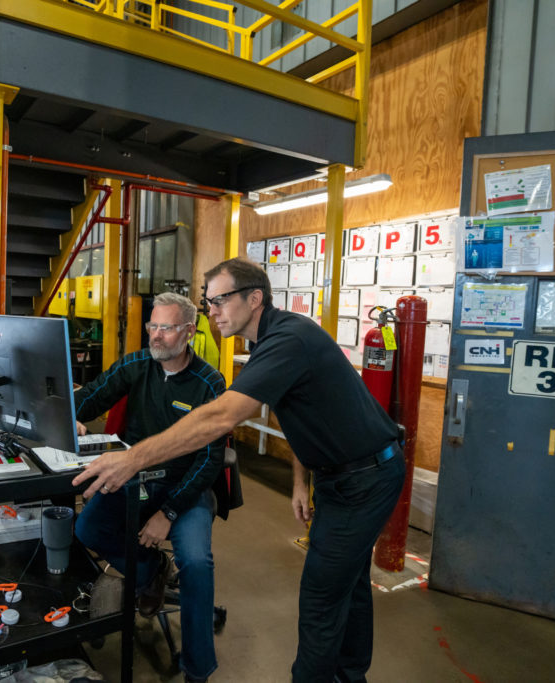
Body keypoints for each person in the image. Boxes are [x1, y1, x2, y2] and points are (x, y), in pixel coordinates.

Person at [74, 258, 406, 683]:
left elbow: (220, 419)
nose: (212, 310)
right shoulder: (270, 343)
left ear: (254, 298)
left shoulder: (288, 339)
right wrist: (301, 481)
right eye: (207, 301)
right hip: (341, 476)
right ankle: (350, 675)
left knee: (322, 599)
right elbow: (307, 415)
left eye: (220, 300)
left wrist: (133, 458)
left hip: (364, 479)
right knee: (350, 589)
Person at [73, 291, 226, 683]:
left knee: (195, 563)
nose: (156, 336)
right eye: (152, 326)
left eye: (167, 328)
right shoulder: (137, 364)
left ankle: (197, 669)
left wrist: (168, 514)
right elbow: (92, 397)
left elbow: (209, 460)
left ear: (189, 332)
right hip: (139, 482)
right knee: (86, 528)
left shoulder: (209, 384)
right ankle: (151, 569)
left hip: (188, 491)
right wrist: (64, 415)